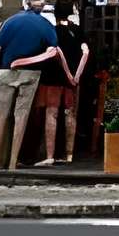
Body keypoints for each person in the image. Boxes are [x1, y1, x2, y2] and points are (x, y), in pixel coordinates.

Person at [0, 0, 58, 169]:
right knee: (21, 116)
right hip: (31, 73)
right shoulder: (46, 25)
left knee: (1, 115)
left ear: (25, 4)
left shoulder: (10, 21)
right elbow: (53, 50)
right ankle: (12, 163)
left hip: (6, 70)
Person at [36, 11, 90, 167]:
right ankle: (69, 154)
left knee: (51, 113)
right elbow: (86, 52)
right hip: (72, 78)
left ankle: (50, 155)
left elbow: (50, 52)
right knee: (70, 114)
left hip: (52, 76)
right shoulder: (78, 31)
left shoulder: (51, 31)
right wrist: (76, 75)